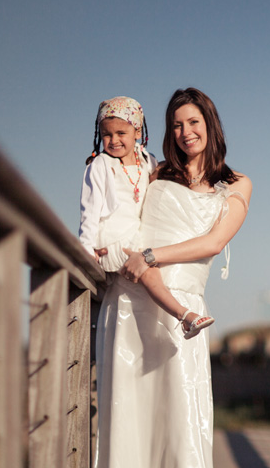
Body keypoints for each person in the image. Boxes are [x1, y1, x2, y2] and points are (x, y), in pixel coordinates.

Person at [88, 87, 254, 468]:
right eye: (177, 125)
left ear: (211, 124)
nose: (185, 133)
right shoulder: (154, 171)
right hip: (132, 296)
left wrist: (150, 256)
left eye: (193, 123)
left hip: (182, 303)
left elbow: (213, 242)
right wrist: (104, 245)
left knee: (179, 413)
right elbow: (116, 208)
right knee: (131, 410)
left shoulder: (237, 183)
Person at [78, 96, 214, 339]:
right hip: (112, 240)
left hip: (135, 237)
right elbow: (89, 211)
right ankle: (185, 316)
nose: (114, 140)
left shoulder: (147, 162)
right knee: (150, 272)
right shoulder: (100, 165)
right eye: (107, 135)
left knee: (151, 271)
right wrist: (87, 250)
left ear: (137, 131)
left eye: (121, 133)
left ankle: (177, 320)